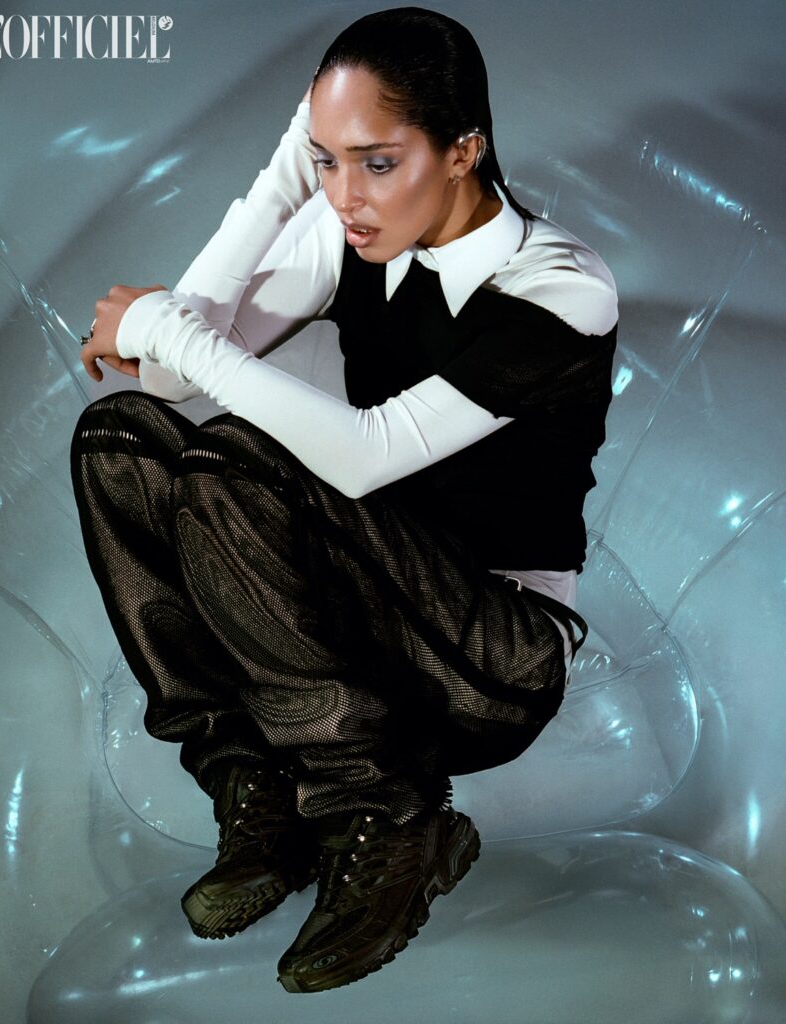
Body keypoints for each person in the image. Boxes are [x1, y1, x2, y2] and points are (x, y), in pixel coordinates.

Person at [70, 6, 617, 995]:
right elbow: (167, 378)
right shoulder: (350, 234)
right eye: (324, 161)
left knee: (239, 457)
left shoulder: (560, 285)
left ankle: (393, 820)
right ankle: (260, 793)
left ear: (463, 150)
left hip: (490, 661)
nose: (344, 195)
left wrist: (166, 329)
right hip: (363, 621)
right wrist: (280, 178)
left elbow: (367, 456)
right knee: (121, 441)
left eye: (376, 162)